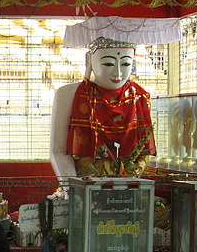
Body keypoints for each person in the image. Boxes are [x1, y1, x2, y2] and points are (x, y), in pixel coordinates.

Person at [49, 36, 155, 182]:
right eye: (108, 63)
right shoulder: (69, 94)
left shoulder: (139, 96)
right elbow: (58, 151)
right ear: (89, 60)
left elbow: (143, 151)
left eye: (125, 64)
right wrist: (72, 188)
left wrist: (127, 183)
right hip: (84, 182)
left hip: (127, 183)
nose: (117, 73)